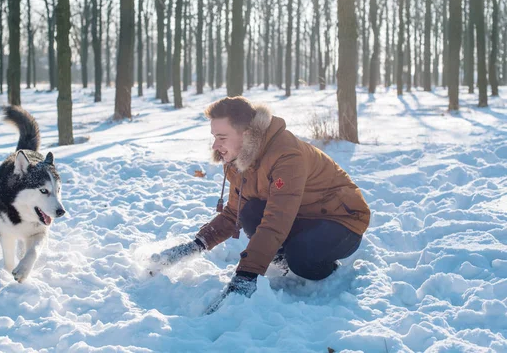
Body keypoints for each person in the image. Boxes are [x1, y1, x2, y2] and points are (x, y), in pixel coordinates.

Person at [151, 97, 370, 308]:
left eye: (222, 137)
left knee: (302, 258)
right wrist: (195, 245)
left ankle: (322, 268)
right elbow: (233, 214)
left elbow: (276, 220)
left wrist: (246, 275)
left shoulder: (286, 156)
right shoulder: (240, 159)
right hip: (301, 215)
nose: (215, 145)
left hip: (340, 220)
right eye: (214, 137)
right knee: (249, 211)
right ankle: (286, 260)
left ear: (246, 134)